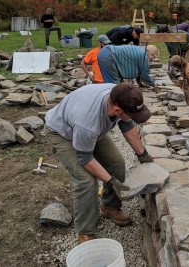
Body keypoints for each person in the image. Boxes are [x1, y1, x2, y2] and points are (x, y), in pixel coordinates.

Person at [45, 82, 154, 244]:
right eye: (131, 114)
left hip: (89, 131)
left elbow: (127, 123)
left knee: (117, 163)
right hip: (62, 133)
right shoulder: (88, 124)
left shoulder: (121, 94)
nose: (134, 119)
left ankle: (109, 207)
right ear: (117, 110)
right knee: (87, 181)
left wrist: (142, 154)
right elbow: (85, 158)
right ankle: (86, 231)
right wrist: (111, 181)